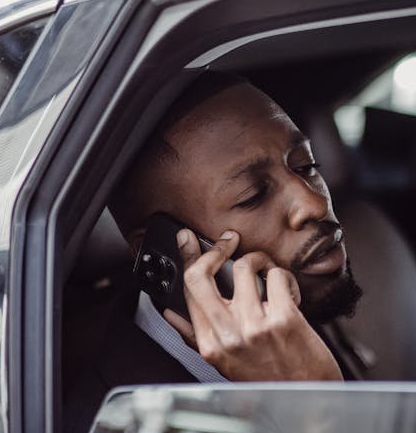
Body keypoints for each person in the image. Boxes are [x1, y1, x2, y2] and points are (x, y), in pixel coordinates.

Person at [109, 70, 364, 386]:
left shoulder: (290, 307)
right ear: (164, 249)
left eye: (305, 166)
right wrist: (312, 400)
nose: (314, 203)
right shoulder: (118, 417)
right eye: (253, 196)